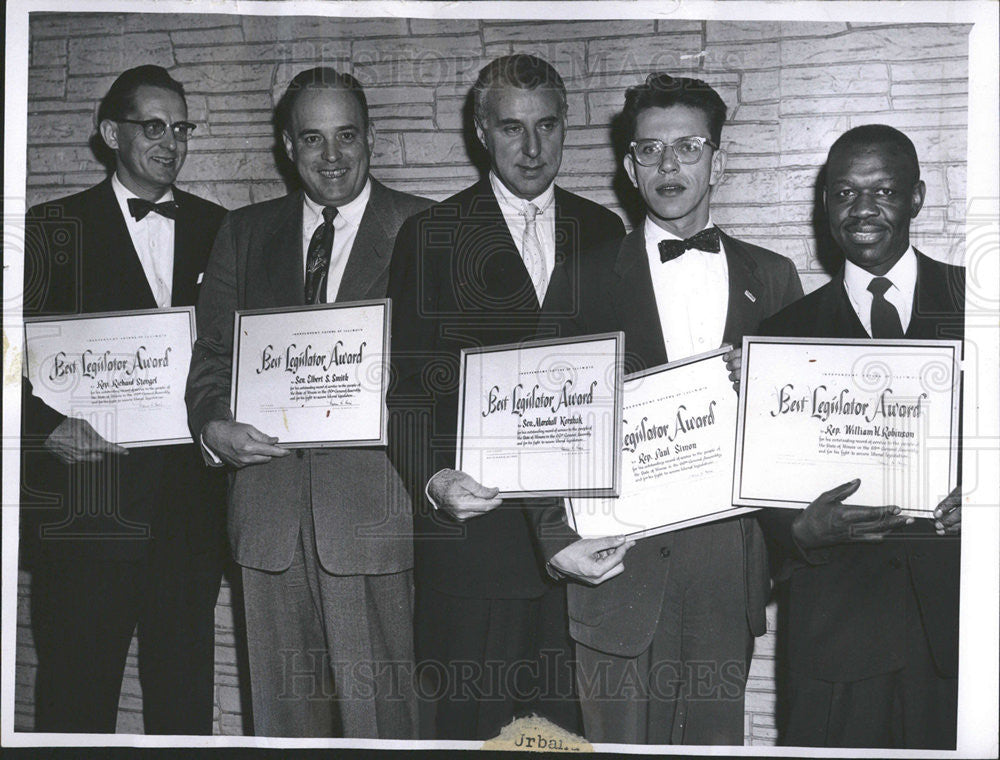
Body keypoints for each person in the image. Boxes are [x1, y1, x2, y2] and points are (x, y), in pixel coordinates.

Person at [534, 73, 804, 745]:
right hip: (616, 571)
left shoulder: (773, 278)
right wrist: (555, 538)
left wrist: (766, 395)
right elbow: (537, 420)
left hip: (726, 575)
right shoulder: (579, 278)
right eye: (650, 151)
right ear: (629, 167)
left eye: (688, 146)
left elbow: (799, 435)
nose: (669, 166)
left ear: (720, 159)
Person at [185, 67, 431, 738]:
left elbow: (446, 373)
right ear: (287, 148)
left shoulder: (423, 227)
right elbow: (210, 358)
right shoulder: (242, 232)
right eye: (313, 139)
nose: (332, 157)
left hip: (373, 513)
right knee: (282, 719)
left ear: (371, 138)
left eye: (347, 136)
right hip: (267, 516)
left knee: (383, 720)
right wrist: (212, 428)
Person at [387, 54, 625, 740]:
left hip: (581, 549)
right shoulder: (431, 236)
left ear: (565, 127)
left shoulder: (604, 231)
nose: (532, 148)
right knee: (472, 731)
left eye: (547, 126)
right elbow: (401, 392)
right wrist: (434, 479)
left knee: (566, 736)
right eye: (512, 127)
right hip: (475, 550)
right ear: (481, 130)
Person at [19, 65, 227, 734]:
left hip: (187, 521)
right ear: (111, 132)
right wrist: (40, 425)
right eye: (153, 127)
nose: (171, 143)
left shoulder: (223, 229)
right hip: (85, 518)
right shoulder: (51, 229)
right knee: (73, 708)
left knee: (184, 708)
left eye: (181, 128)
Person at [757, 124, 963, 749]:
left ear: (918, 198)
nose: (863, 209)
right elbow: (765, 488)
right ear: (825, 203)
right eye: (845, 193)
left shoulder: (982, 304)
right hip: (836, 632)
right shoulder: (782, 332)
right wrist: (797, 531)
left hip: (961, 626)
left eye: (885, 191)